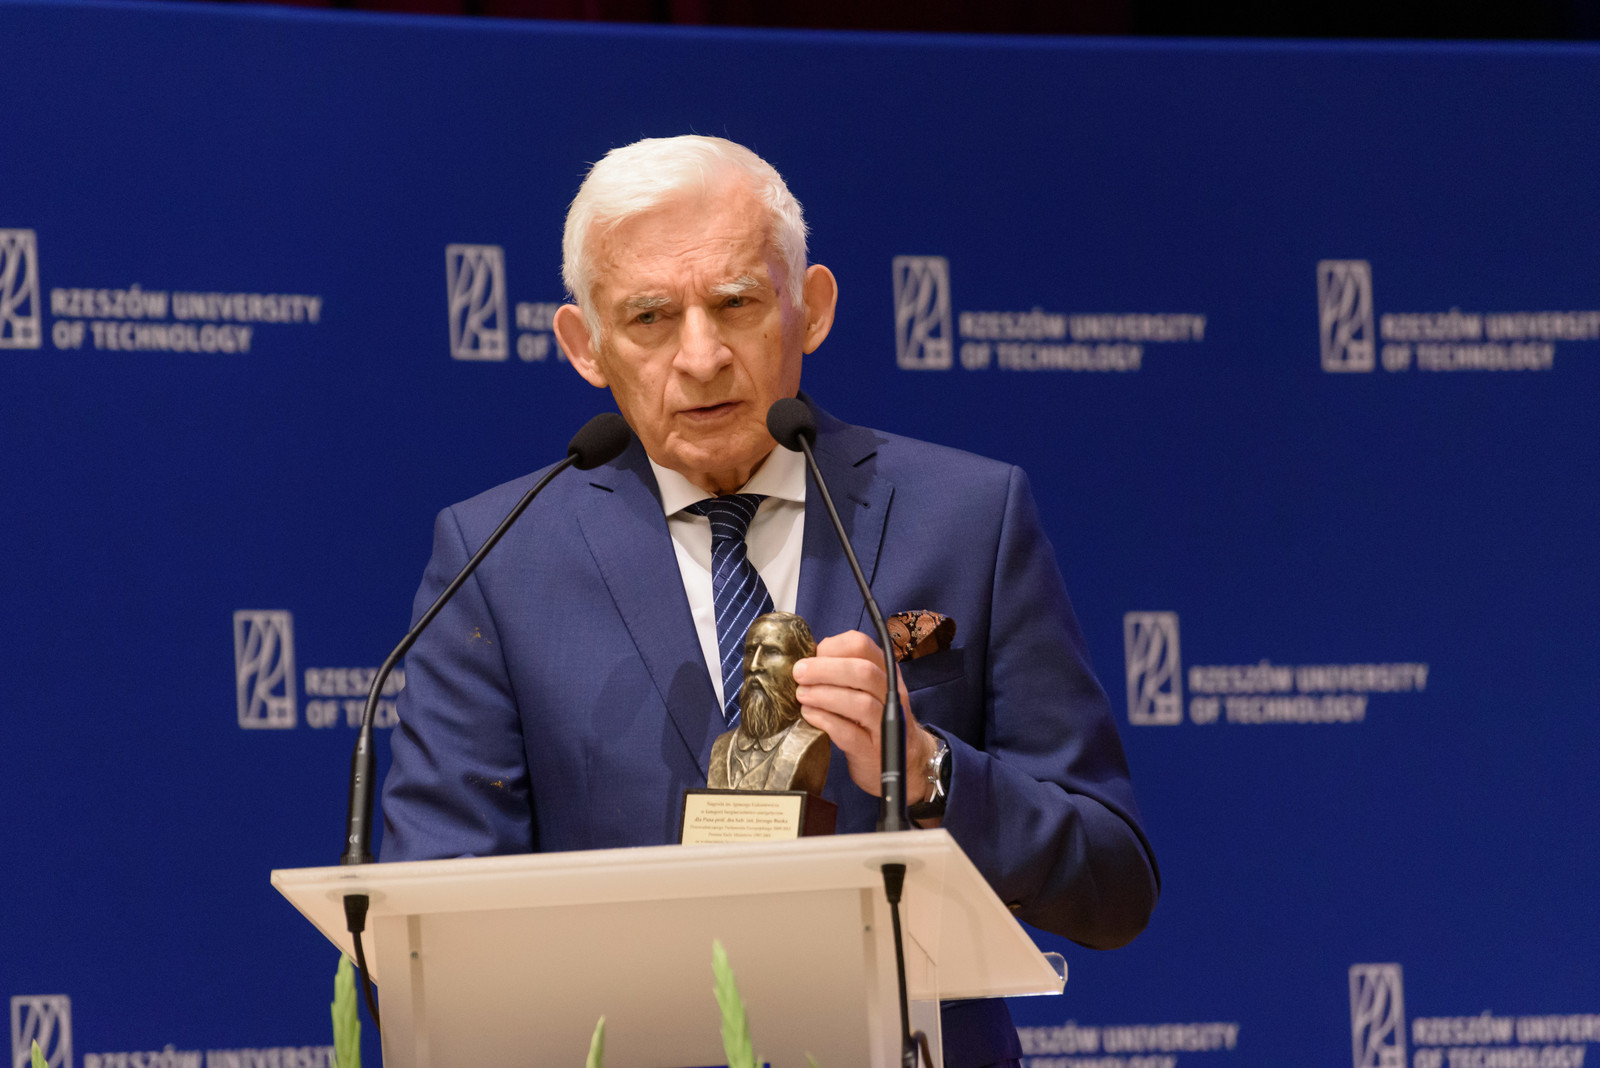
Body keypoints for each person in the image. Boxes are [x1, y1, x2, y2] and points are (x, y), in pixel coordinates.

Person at [380, 134, 1159, 1068]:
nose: (701, 356)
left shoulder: (968, 518)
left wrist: (928, 773)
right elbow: (427, 929)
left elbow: (1114, 884)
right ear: (585, 347)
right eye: (649, 318)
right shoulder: (500, 560)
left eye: (736, 304)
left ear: (811, 308)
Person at [709, 611, 830, 792]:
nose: (754, 665)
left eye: (772, 652)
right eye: (750, 652)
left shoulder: (808, 742)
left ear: (800, 662)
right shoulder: (722, 747)